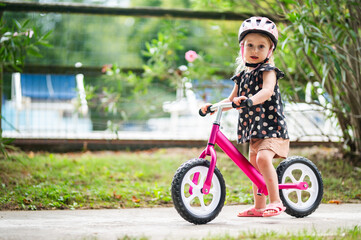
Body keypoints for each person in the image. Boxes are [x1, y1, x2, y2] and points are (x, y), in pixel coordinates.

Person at [200, 16, 289, 217]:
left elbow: (267, 92)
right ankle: (259, 207)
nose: (255, 51)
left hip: (272, 128)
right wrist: (212, 107)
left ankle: (276, 201)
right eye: (250, 45)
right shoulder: (242, 76)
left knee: (264, 159)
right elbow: (231, 100)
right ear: (242, 48)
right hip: (253, 130)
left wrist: (249, 100)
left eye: (261, 46)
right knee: (253, 168)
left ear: (270, 50)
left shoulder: (269, 71)